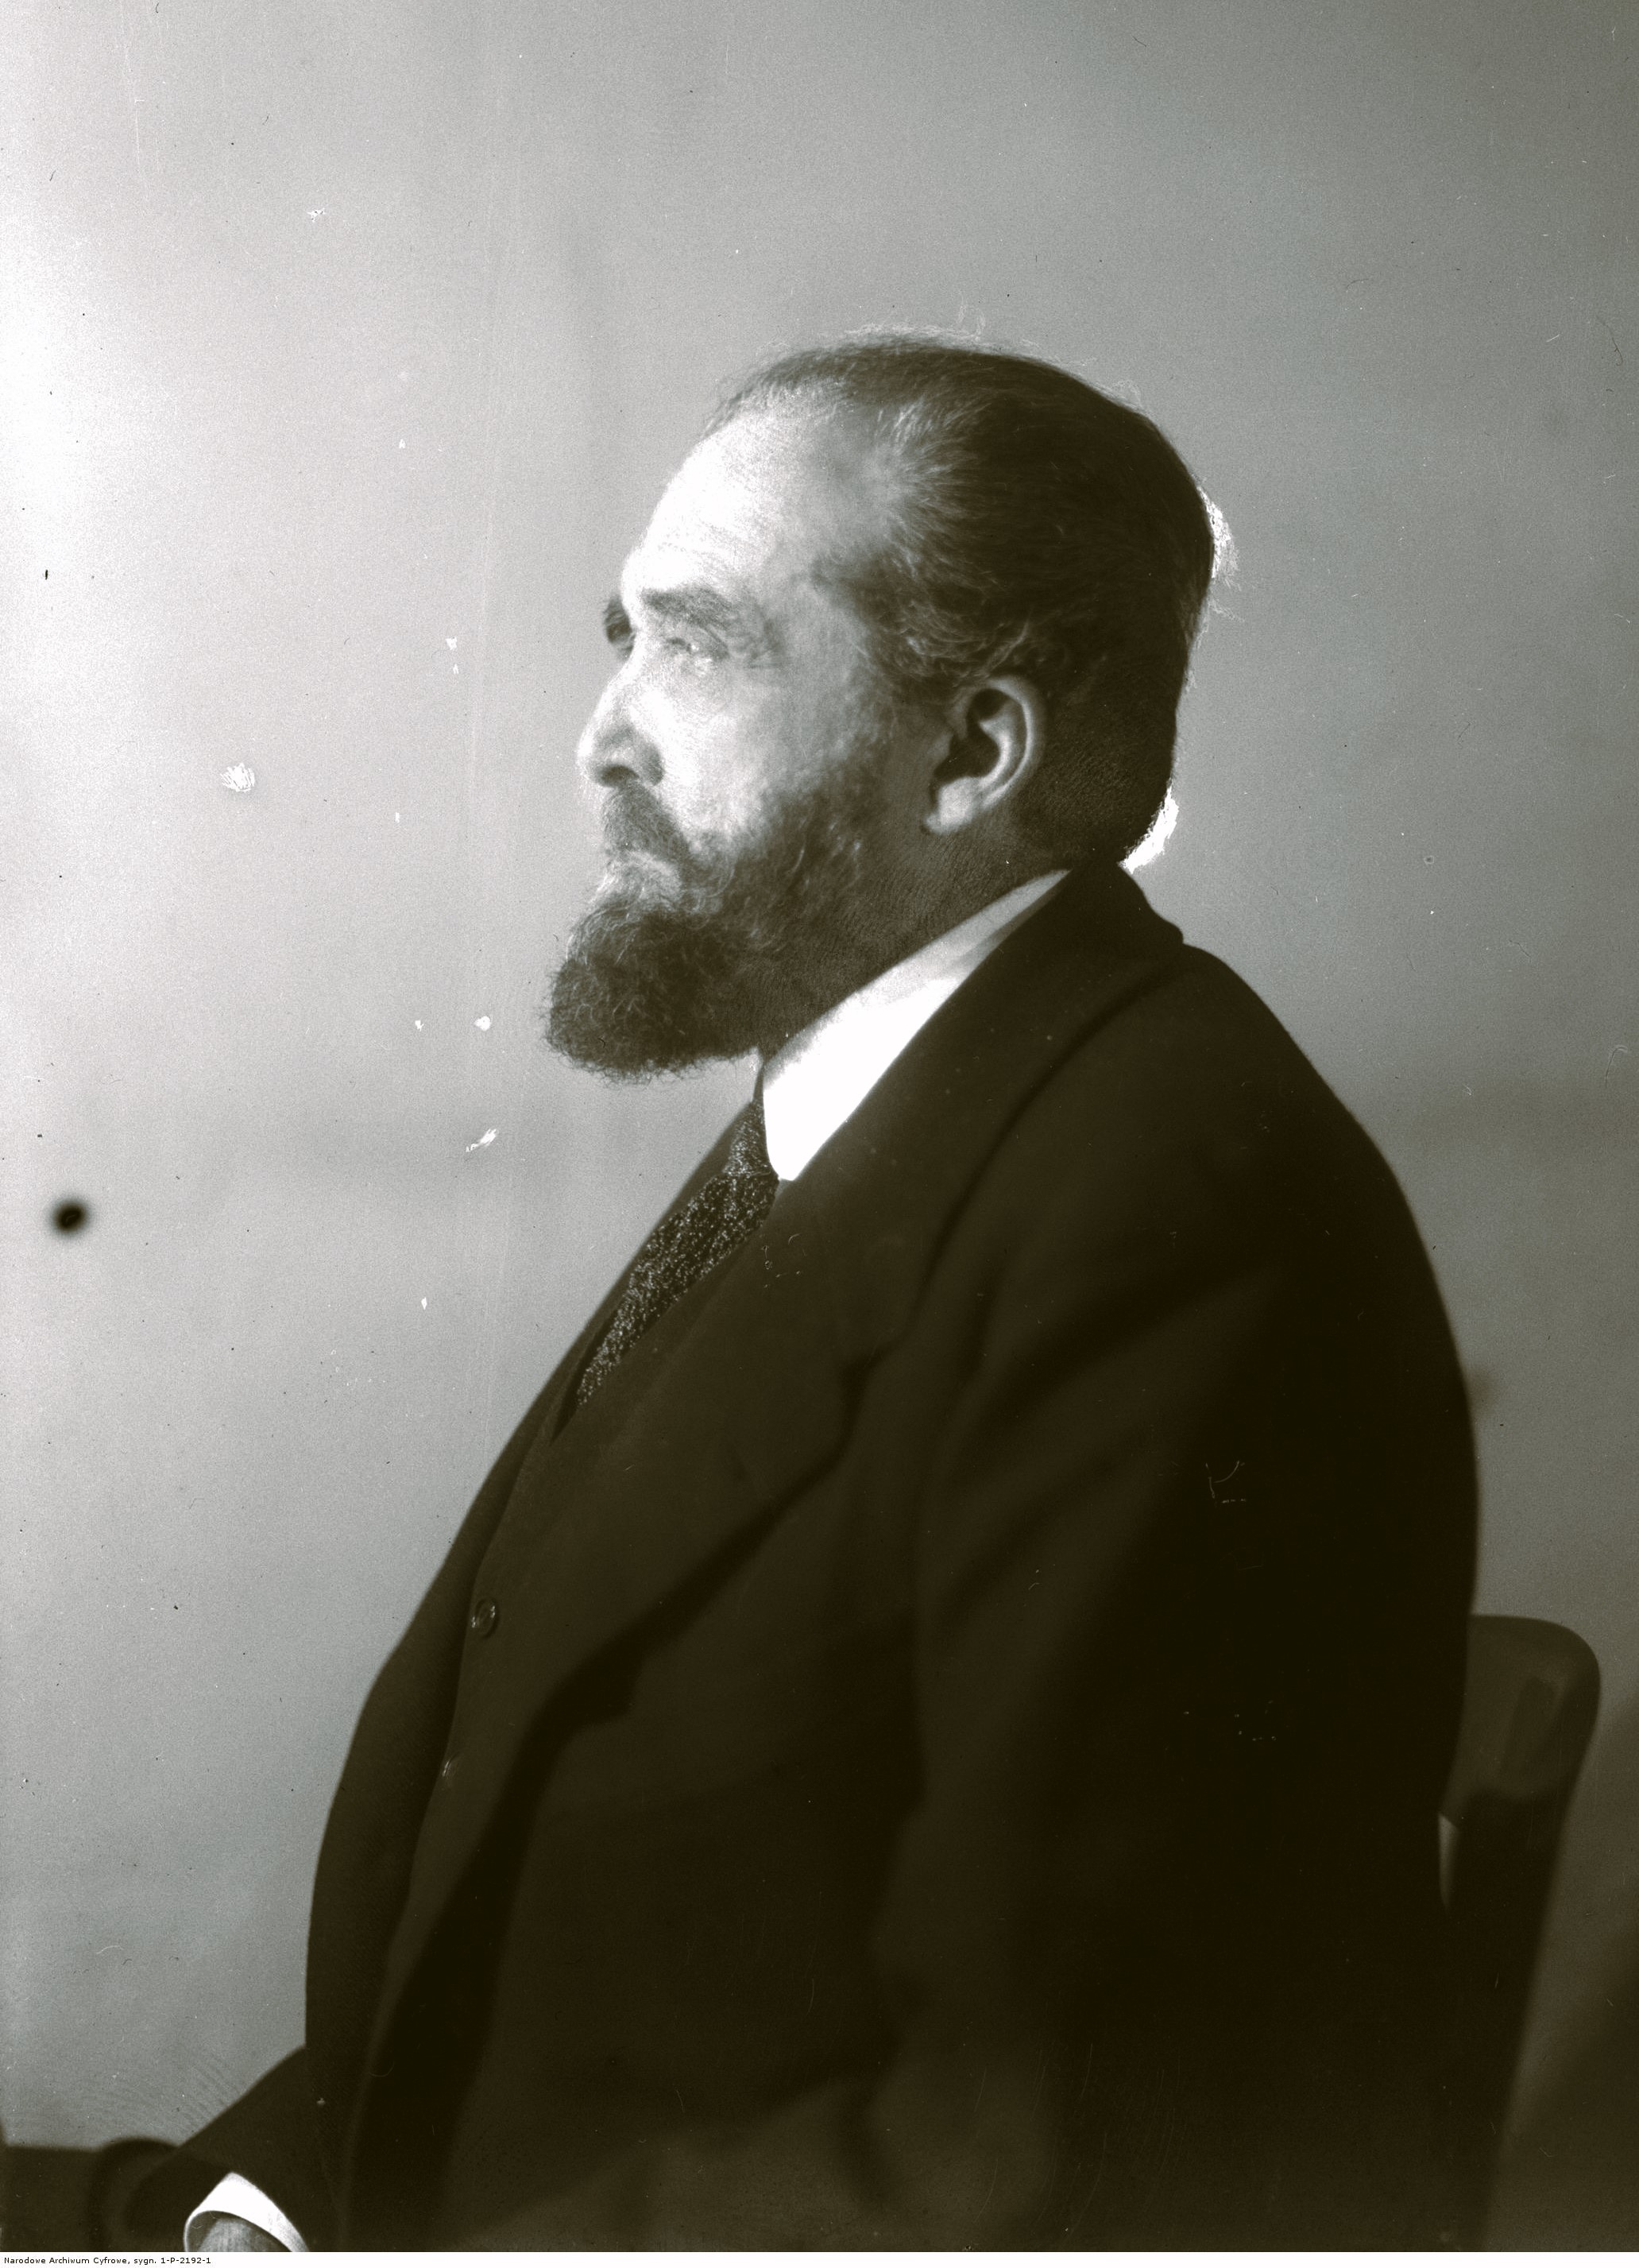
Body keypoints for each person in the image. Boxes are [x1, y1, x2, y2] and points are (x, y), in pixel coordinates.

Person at [102, 335, 1476, 2248]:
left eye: (702, 647)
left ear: (972, 753)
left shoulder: (1170, 1201)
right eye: (623, 638)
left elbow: (1040, 2155)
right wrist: (246, 2215)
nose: (604, 738)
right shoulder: (875, 1113)